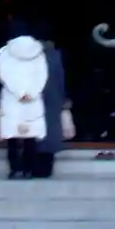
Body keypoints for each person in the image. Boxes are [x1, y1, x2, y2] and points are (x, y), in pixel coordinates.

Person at [0, 22, 49, 179]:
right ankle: (28, 169)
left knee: (13, 136)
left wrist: (19, 92)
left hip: (12, 98)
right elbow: (42, 75)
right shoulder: (39, 52)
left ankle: (15, 169)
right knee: (31, 136)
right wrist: (32, 92)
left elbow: (3, 74)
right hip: (33, 99)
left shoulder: (4, 52)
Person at [34, 32, 68, 179]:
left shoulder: (25, 55)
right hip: (52, 98)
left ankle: (28, 167)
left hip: (31, 97)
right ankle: (45, 169)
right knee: (49, 133)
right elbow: (61, 80)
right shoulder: (54, 55)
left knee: (32, 134)